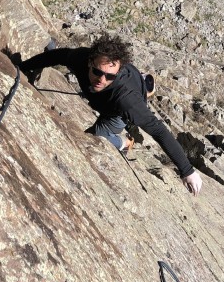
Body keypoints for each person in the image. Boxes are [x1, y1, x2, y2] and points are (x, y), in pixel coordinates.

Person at [16, 33, 203, 196]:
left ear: (117, 72)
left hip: (116, 112)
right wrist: (22, 67)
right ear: (90, 62)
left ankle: (124, 141)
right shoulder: (80, 58)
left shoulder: (128, 102)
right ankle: (143, 82)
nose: (101, 79)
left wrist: (187, 170)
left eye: (109, 76)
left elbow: (159, 131)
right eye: (97, 72)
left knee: (94, 137)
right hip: (118, 88)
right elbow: (57, 56)